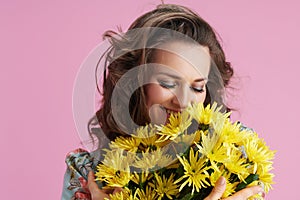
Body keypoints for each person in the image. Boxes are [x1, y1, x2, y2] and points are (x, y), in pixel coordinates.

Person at [61, 3, 265, 200]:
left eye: (197, 87)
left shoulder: (236, 154)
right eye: (168, 83)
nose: (184, 101)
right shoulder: (88, 173)